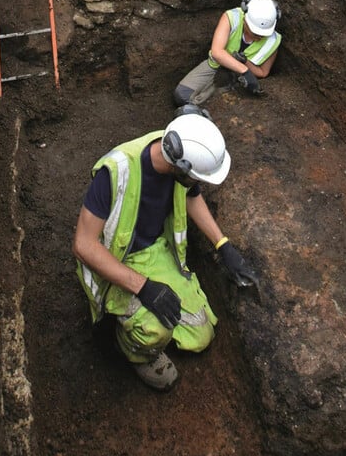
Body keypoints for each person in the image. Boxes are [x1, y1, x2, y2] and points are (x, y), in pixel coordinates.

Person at [72, 111, 260, 392]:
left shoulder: (177, 149)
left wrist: (223, 245)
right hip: (115, 262)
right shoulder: (116, 171)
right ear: (181, 168)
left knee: (201, 334)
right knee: (154, 331)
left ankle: (149, 325)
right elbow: (83, 245)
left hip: (156, 252)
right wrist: (144, 287)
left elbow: (191, 197)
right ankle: (130, 349)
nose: (202, 185)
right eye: (197, 177)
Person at [174, 0, 282, 107]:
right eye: (255, 32)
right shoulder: (232, 17)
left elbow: (263, 72)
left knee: (212, 103)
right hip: (215, 65)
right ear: (245, 18)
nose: (259, 37)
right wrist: (244, 70)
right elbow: (217, 52)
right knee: (182, 95)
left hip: (236, 79)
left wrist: (246, 63)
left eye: (263, 34)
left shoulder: (273, 41)